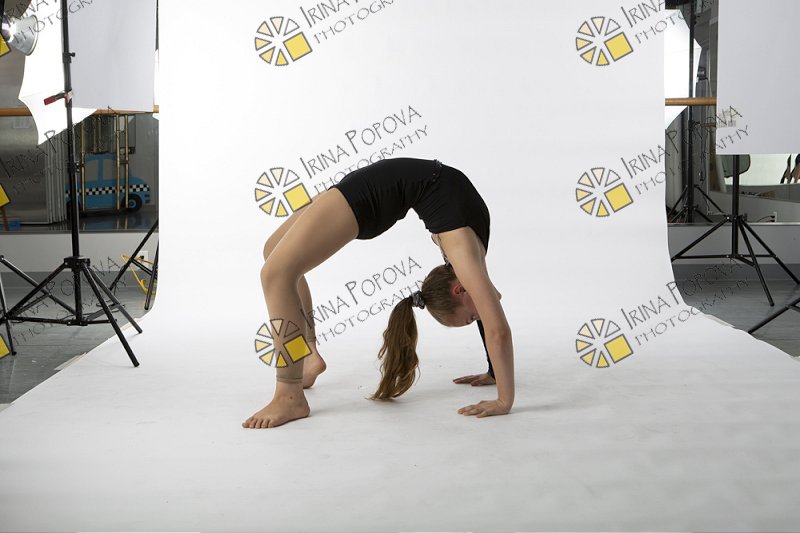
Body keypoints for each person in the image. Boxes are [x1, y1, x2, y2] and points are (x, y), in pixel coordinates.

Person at [243, 158, 514, 429]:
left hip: (371, 188)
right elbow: (497, 331)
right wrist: (504, 400)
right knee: (274, 260)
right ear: (459, 289)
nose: (480, 315)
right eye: (471, 318)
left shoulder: (467, 262)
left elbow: (489, 309)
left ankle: (291, 387)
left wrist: (495, 371)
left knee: (277, 272)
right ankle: (300, 374)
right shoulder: (465, 258)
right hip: (369, 196)